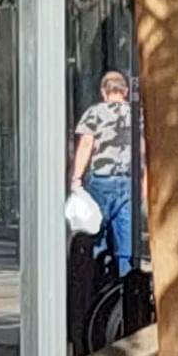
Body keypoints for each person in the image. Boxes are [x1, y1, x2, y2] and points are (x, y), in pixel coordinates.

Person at [71, 70, 137, 276]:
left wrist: (76, 178)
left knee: (96, 230)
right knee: (126, 239)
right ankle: (127, 281)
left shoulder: (94, 113)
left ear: (103, 91)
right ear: (125, 91)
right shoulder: (136, 113)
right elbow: (142, 147)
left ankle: (98, 282)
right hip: (127, 180)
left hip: (101, 179)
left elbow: (86, 145)